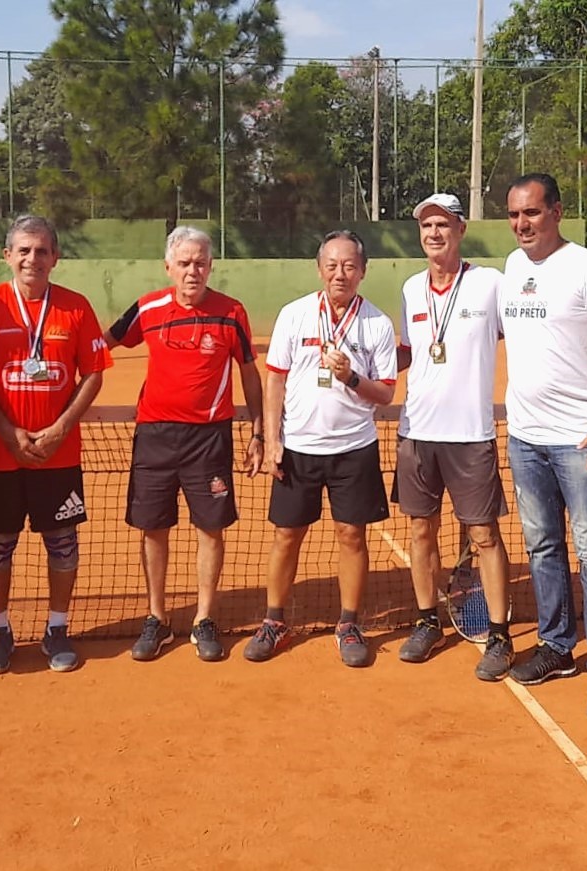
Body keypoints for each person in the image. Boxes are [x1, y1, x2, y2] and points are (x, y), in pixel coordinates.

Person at [497, 173, 587, 721]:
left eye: (531, 213)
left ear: (556, 211)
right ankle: (557, 646)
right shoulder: (512, 268)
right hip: (525, 437)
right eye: (513, 215)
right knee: (542, 547)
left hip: (580, 439)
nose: (521, 224)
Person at [0, 215, 111, 675]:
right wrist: (9, 433)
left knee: (63, 544)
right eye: (23, 250)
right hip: (1, 456)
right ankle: (0, 631)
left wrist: (61, 427)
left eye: (42, 250)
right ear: (7, 256)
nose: (33, 259)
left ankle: (57, 628)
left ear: (55, 257)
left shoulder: (76, 307)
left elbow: (95, 372)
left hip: (58, 456)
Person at [105, 226, 264, 663]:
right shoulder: (147, 307)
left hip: (209, 439)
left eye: (200, 262)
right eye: (184, 262)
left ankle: (204, 618)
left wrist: (258, 431)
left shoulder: (231, 312)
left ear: (210, 266)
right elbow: (103, 344)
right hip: (155, 435)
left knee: (209, 529)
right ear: (169, 266)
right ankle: (156, 618)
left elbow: (249, 372)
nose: (192, 270)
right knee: (153, 527)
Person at [245, 230, 397, 667]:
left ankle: (349, 623)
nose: (340, 274)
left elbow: (385, 394)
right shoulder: (294, 316)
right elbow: (275, 380)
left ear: (363, 272)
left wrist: (350, 376)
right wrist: (273, 440)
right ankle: (274, 621)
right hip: (298, 448)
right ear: (319, 269)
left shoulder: (377, 324)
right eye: (332, 265)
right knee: (286, 535)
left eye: (349, 266)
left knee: (352, 535)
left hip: (354, 449)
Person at [393, 193, 514, 680]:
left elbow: (525, 335)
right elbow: (407, 354)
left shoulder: (490, 284)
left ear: (461, 230)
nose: (434, 234)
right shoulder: (409, 289)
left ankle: (500, 634)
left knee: (484, 535)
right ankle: (427, 621)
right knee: (421, 531)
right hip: (416, 433)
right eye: (426, 226)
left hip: (470, 435)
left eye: (443, 224)